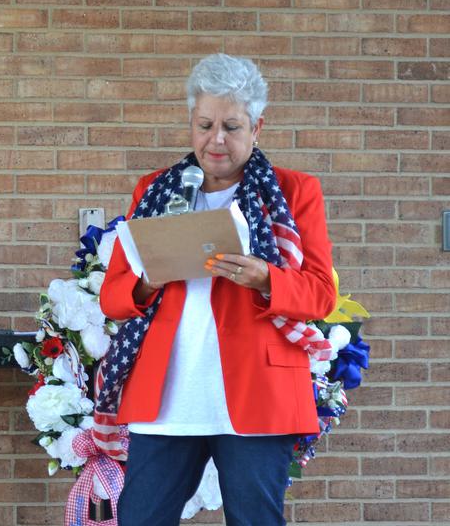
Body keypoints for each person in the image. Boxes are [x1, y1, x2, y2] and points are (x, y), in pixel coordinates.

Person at [96, 53, 337, 525]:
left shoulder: (295, 191)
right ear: (191, 121)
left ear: (257, 128)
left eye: (232, 126)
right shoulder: (153, 190)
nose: (216, 140)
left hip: (258, 393)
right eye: (205, 124)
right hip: (169, 396)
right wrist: (149, 281)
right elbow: (113, 297)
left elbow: (320, 296)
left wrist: (265, 278)